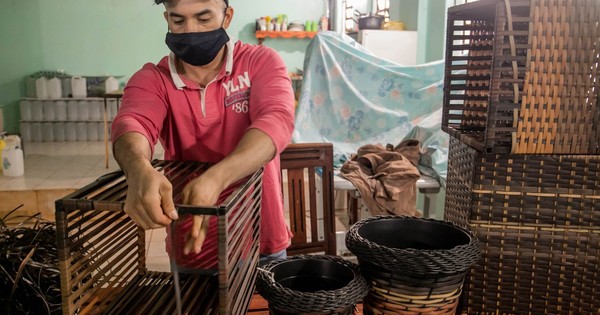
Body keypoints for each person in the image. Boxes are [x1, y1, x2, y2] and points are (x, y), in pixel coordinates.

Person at [111, 0, 295, 270]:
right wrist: (138, 168)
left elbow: (276, 120)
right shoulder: (153, 78)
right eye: (179, 21)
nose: (191, 31)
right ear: (167, 20)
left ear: (227, 17)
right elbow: (132, 122)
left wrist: (216, 179)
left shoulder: (259, 62)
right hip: (194, 244)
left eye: (204, 18)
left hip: (261, 240)